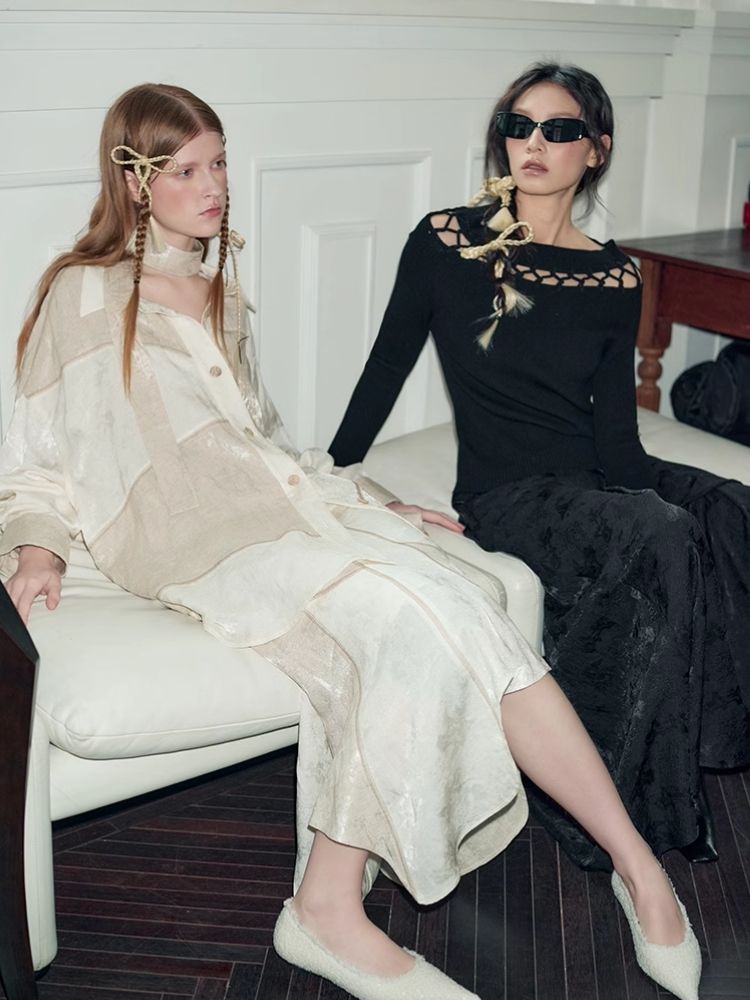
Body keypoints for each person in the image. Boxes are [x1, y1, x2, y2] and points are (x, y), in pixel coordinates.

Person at [0, 82, 701, 1000]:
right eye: (187, 170)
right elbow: (39, 449)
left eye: (219, 163)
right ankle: (331, 913)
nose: (214, 186)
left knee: (469, 596)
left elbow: (264, 440)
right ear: (136, 182)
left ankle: (635, 872)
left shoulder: (221, 291)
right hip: (198, 540)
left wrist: (371, 499)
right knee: (415, 608)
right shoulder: (84, 292)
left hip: (289, 512)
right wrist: (38, 545)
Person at [329, 61, 750, 876]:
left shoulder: (615, 274)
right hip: (509, 493)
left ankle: (702, 748)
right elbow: (386, 366)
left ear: (597, 149)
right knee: (660, 530)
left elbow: (617, 434)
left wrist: (664, 494)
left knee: (730, 507)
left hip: (593, 474)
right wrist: (337, 473)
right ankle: (636, 810)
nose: (534, 143)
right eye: (519, 126)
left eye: (559, 130)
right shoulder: (447, 241)